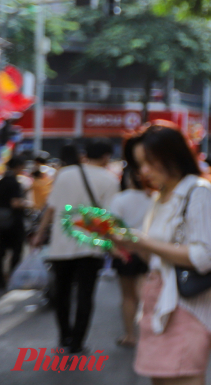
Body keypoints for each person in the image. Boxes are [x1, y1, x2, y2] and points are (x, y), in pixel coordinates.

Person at [112, 123, 211, 385]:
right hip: (158, 306)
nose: (144, 172)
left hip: (186, 308)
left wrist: (144, 243)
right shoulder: (160, 197)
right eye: (139, 165)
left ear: (173, 156)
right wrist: (130, 244)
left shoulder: (199, 192)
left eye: (150, 162)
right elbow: (156, 259)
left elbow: (206, 257)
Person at [32, 140, 119, 353]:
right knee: (85, 295)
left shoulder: (65, 174)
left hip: (61, 245)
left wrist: (40, 233)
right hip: (91, 246)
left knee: (62, 294)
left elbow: (51, 208)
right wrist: (113, 244)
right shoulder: (109, 180)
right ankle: (78, 342)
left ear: (85, 154)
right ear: (106, 157)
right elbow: (108, 218)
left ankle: (64, 338)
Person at [108, 136, 153, 348]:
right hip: (148, 249)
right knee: (145, 293)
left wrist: (114, 248)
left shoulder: (120, 199)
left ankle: (130, 335)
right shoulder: (153, 199)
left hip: (124, 251)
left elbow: (110, 228)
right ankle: (147, 333)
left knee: (127, 297)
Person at [0, 156, 30, 289]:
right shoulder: (14, 183)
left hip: (1, 222)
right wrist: (28, 204)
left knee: (1, 253)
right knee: (16, 251)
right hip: (13, 223)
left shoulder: (2, 181)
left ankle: (1, 281)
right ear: (18, 167)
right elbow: (15, 203)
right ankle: (13, 278)